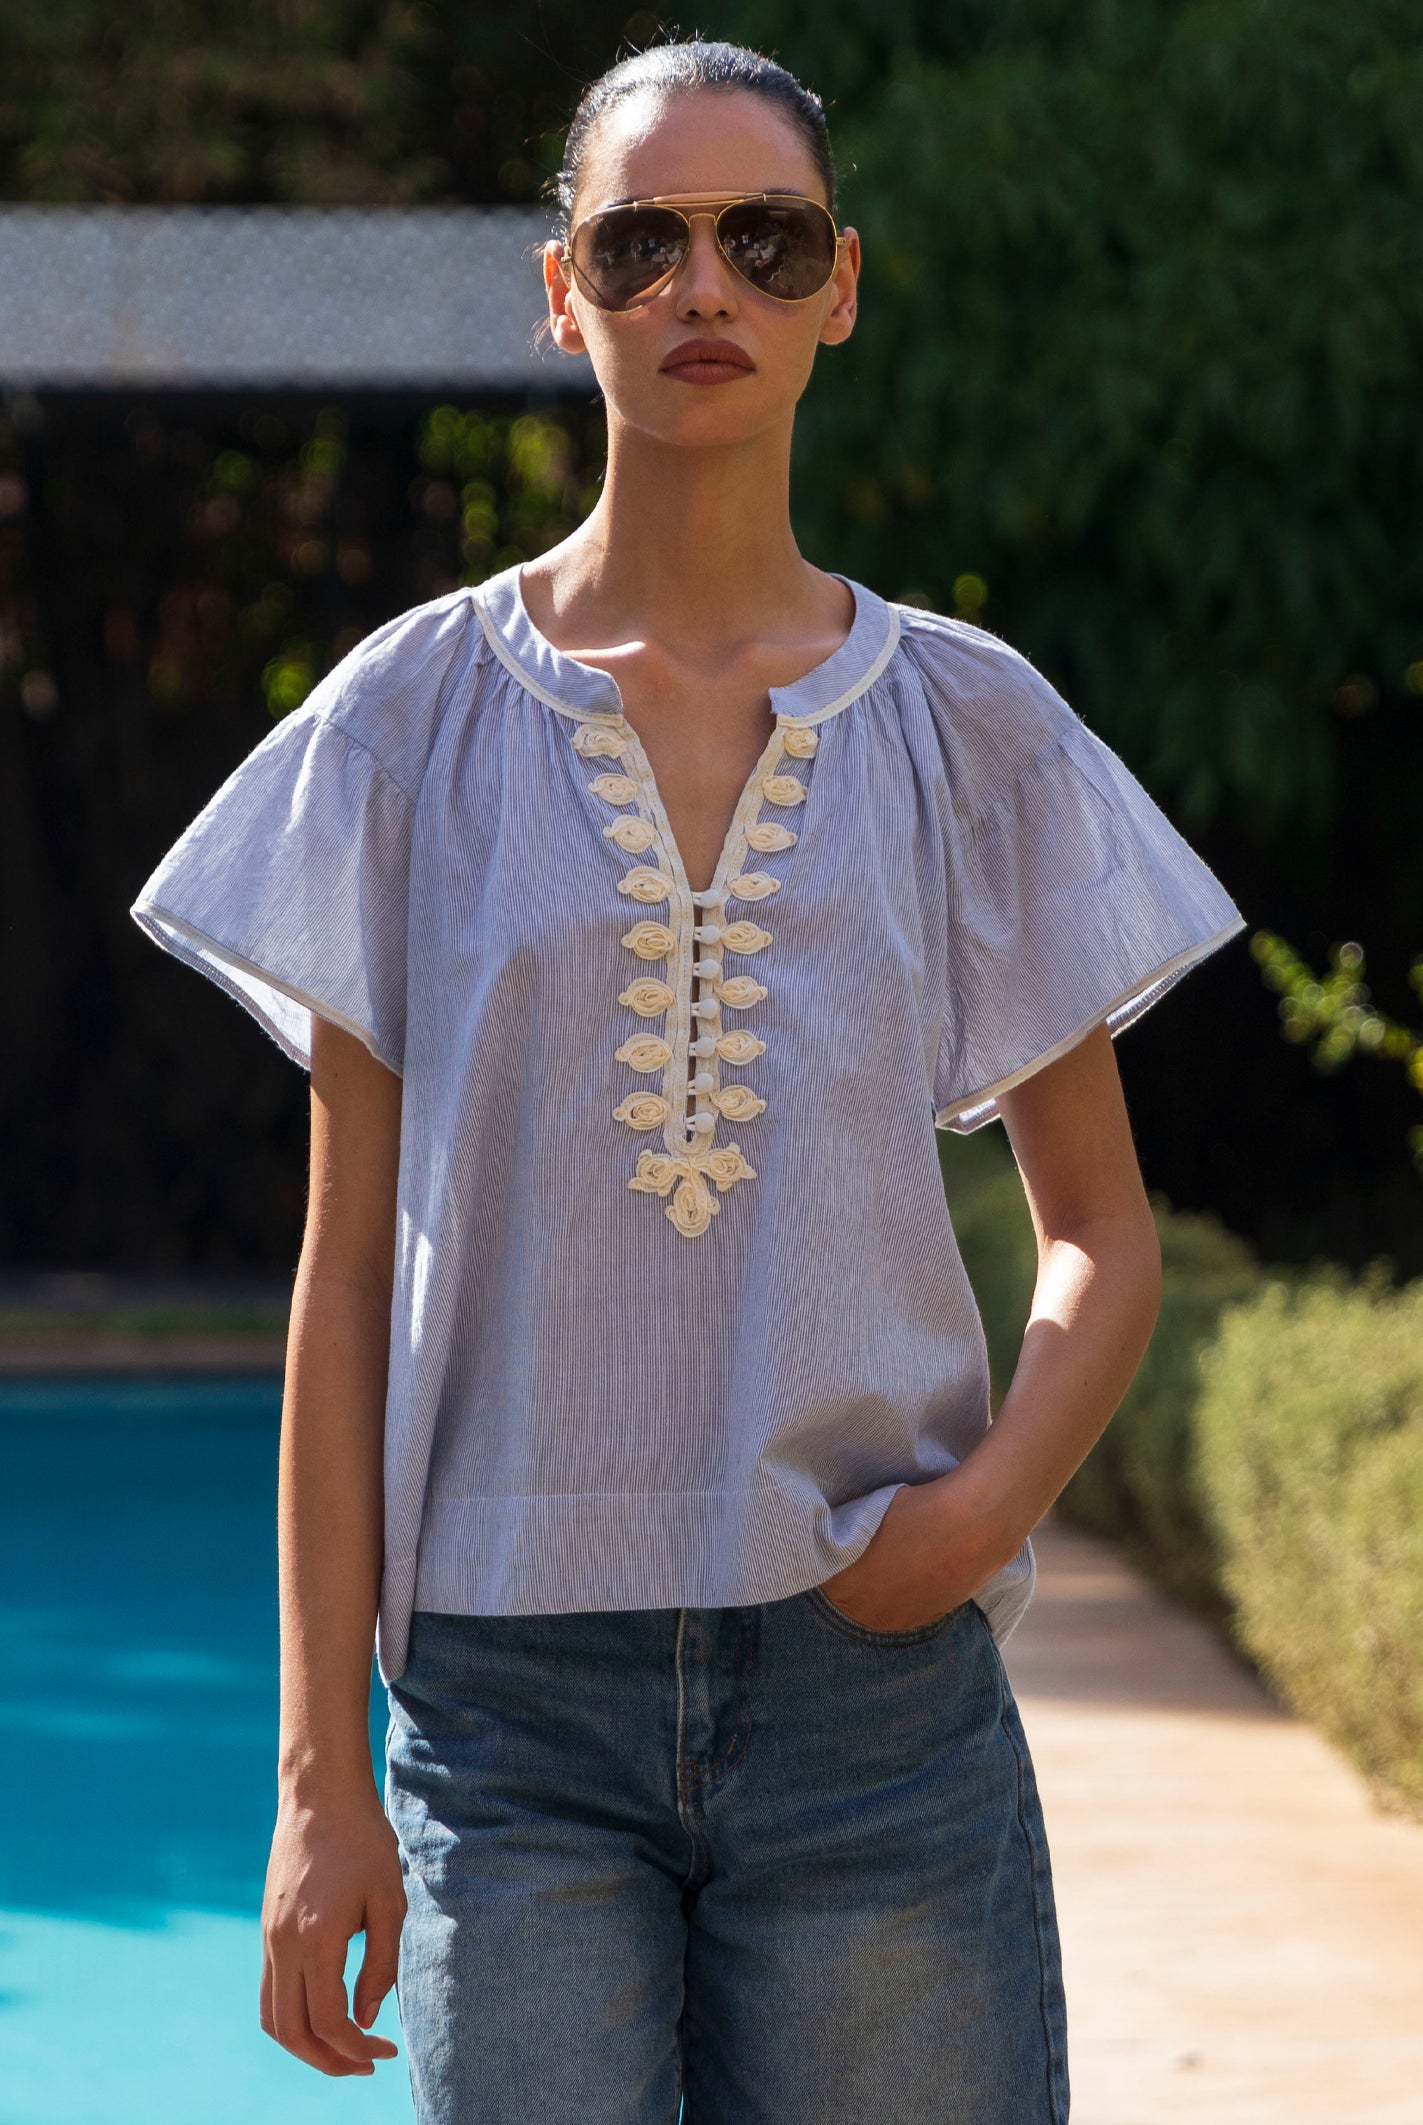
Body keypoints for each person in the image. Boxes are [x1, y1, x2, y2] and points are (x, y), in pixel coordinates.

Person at [129, 35, 1245, 2125]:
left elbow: (1100, 1226)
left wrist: (982, 1511)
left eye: (766, 240)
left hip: (875, 1708)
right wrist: (314, 1778)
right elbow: (348, 1272)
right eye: (642, 240)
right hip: (506, 1717)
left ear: (842, 286)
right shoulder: (404, 724)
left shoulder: (971, 727)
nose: (702, 285)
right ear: (563, 293)